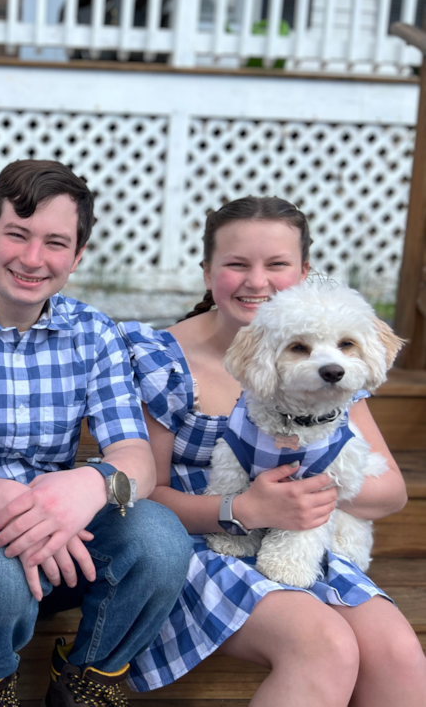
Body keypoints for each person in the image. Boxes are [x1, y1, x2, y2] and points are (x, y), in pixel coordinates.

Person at [0, 160, 192, 707]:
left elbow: (137, 460)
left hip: (68, 538)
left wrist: (90, 487)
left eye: (55, 243)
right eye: (17, 234)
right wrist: (33, 509)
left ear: (77, 257)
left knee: (161, 539)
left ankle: (87, 681)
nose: (32, 258)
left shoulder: (93, 333)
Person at [118, 197, 426, 706]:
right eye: (237, 264)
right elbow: (145, 497)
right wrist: (245, 508)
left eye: (277, 264)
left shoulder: (330, 369)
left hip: (302, 535)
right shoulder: (162, 360)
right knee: (325, 647)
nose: (256, 281)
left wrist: (305, 495)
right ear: (207, 271)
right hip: (194, 546)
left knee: (400, 653)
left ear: (304, 272)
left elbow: (391, 492)